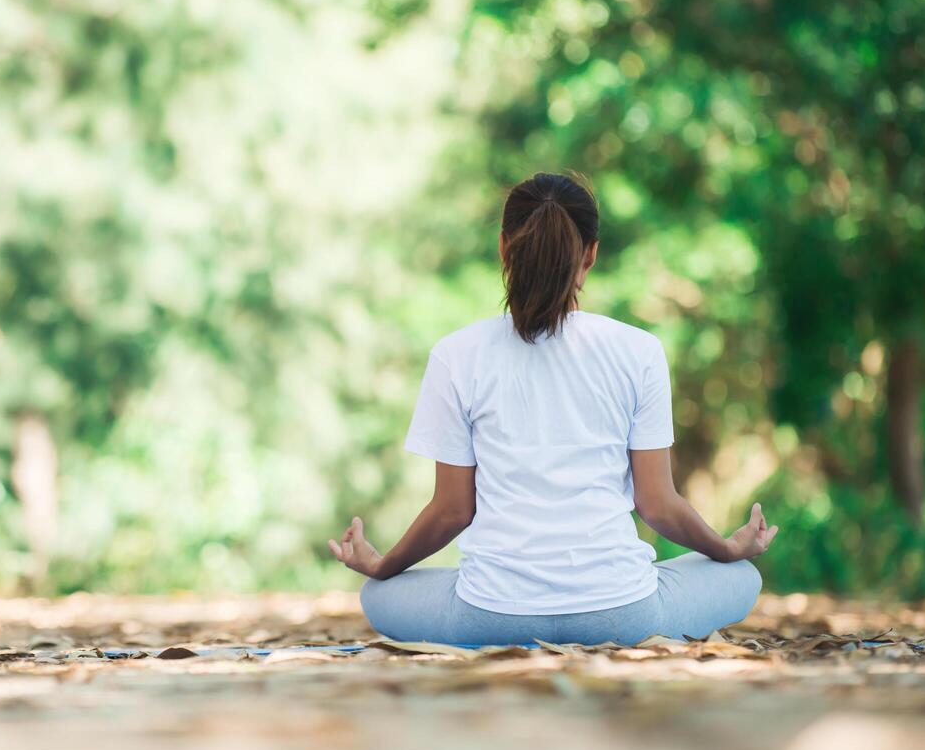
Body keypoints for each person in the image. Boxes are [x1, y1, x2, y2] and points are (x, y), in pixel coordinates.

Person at [328, 172, 776, 647]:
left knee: (378, 595)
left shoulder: (456, 354)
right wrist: (726, 548)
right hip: (623, 615)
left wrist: (382, 565)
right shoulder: (639, 351)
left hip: (491, 618)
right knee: (741, 577)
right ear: (591, 255)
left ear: (503, 248)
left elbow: (452, 511)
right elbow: (657, 505)